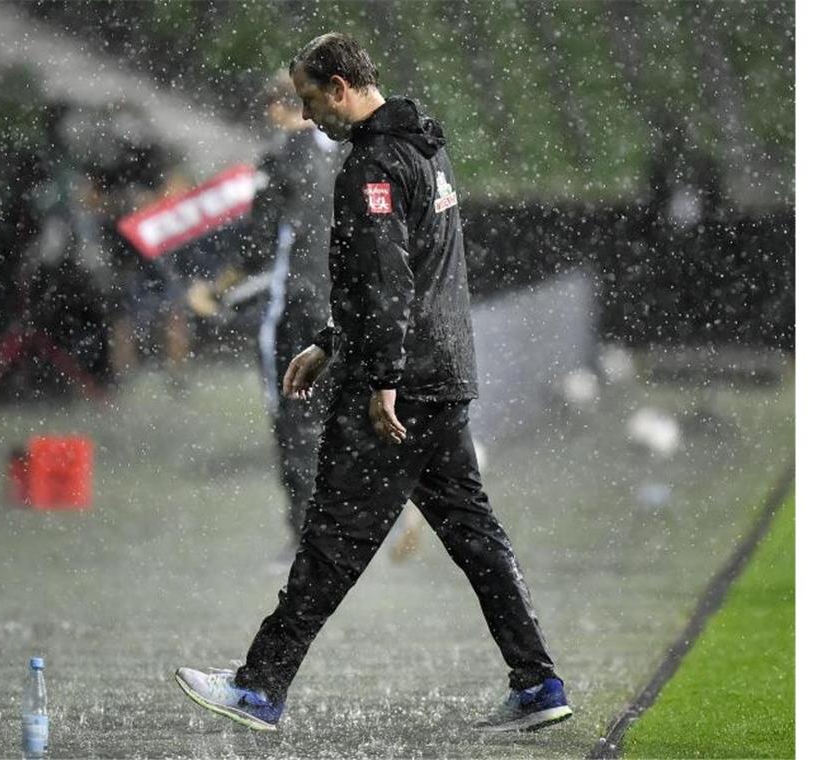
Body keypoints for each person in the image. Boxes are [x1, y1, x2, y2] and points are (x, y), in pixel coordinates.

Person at [175, 32, 571, 733]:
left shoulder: (374, 166)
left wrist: (379, 377)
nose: (307, 117)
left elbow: (389, 280)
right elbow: (406, 269)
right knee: (476, 537)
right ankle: (539, 683)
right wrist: (330, 340)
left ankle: (259, 688)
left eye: (308, 101)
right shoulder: (425, 142)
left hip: (400, 383)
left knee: (333, 537)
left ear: (338, 88)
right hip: (443, 372)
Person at [240, 72, 340, 557]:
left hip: (296, 308)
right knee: (342, 415)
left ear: (282, 109)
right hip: (347, 306)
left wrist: (217, 291)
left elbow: (258, 246)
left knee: (294, 418)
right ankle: (354, 524)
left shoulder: (278, 162)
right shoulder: (348, 154)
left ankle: (304, 532)